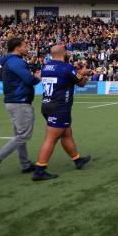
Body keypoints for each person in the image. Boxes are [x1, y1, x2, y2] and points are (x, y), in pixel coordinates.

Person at [0, 37, 41, 181]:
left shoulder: (10, 61)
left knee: (20, 135)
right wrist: (37, 77)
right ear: (17, 48)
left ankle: (25, 164)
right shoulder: (16, 62)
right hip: (19, 101)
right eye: (25, 45)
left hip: (14, 100)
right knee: (23, 136)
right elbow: (29, 80)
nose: (27, 48)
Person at [33, 45, 92, 181]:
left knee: (66, 133)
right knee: (51, 138)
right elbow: (81, 83)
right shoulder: (67, 68)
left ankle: (77, 160)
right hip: (59, 107)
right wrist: (84, 73)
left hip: (47, 104)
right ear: (64, 53)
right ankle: (39, 170)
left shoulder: (45, 67)